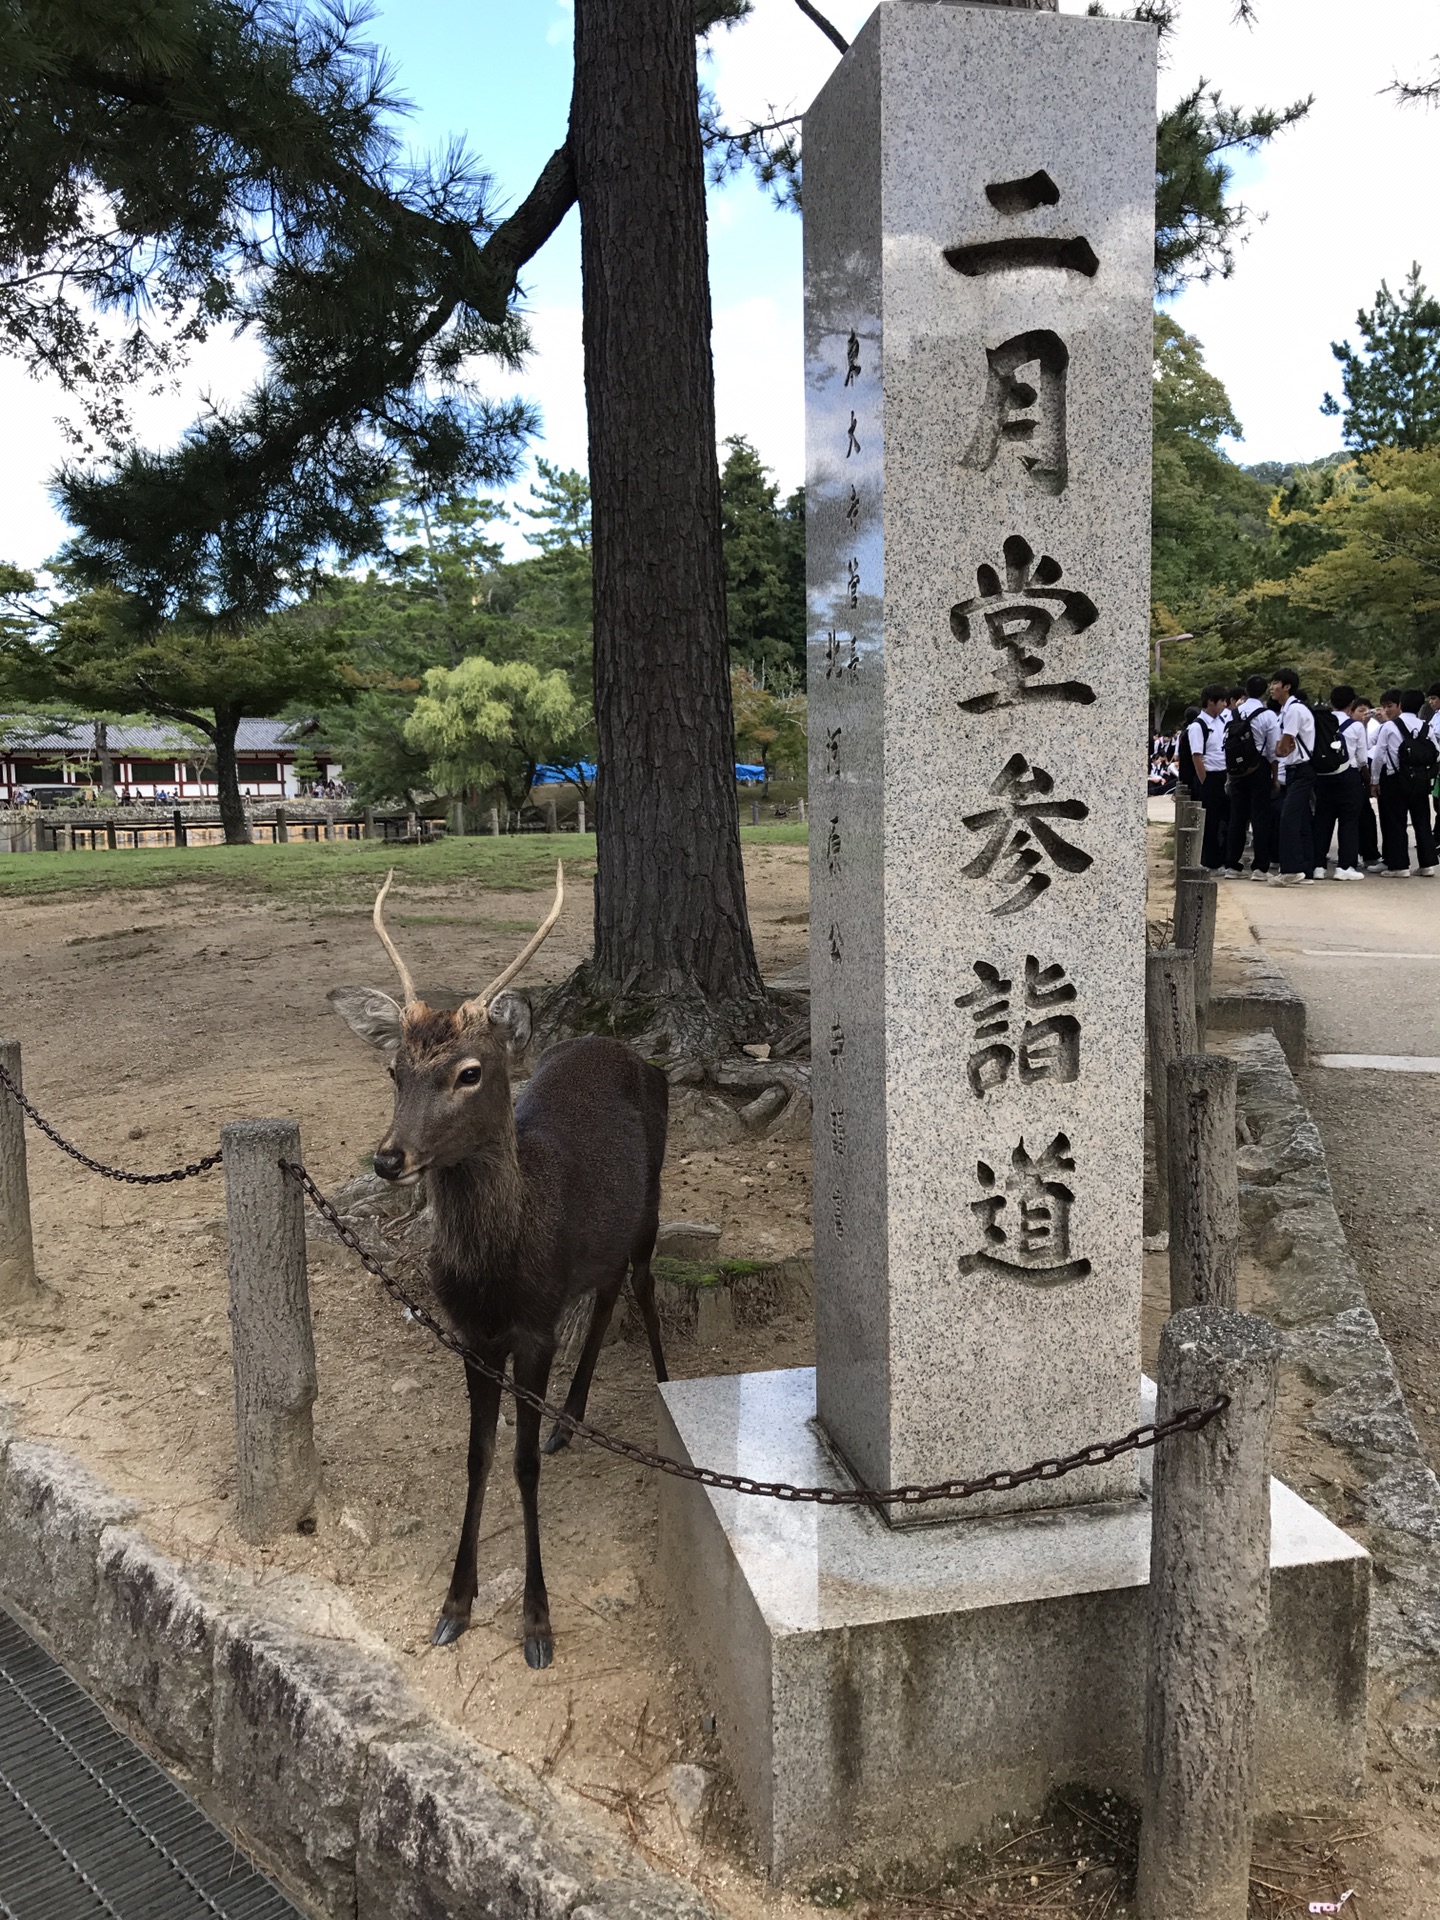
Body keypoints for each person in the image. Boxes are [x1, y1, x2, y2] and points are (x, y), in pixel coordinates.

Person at [1372, 689, 1439, 876]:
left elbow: (1379, 756)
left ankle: (1399, 865)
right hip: (1420, 779)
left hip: (1395, 778)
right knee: (1422, 820)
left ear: (1401, 705)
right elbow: (1437, 752)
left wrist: (1374, 780)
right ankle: (1427, 865)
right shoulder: (1426, 726)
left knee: (1395, 821)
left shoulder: (1390, 727)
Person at [1220, 673, 1280, 879]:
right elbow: (1273, 750)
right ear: (1264, 691)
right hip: (1259, 767)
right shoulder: (1268, 715)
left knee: (1237, 816)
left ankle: (1232, 865)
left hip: (1237, 770)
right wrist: (1274, 777)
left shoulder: (1233, 713)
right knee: (1260, 817)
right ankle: (1260, 867)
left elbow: (1225, 743)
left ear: (1245, 690)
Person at [1309, 685, 1366, 879]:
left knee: (1323, 820)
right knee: (1348, 821)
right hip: (1347, 775)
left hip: (1323, 776)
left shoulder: (1321, 722)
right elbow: (1362, 759)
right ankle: (1344, 866)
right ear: (1352, 703)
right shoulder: (1356, 726)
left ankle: (1318, 866)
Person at [1269, 667, 1317, 884]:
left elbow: (1282, 746)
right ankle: (1305, 866)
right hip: (1295, 769)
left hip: (1301, 769)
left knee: (1288, 818)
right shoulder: (1287, 710)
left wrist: (1281, 748)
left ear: (1287, 687)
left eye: (1276, 683)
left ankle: (1290, 870)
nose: (1272, 688)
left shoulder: (1294, 710)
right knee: (1302, 820)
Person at [1187, 685, 1231, 869]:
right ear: (1211, 701)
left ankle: (1224, 858)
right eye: (1222, 701)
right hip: (1209, 777)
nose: (1224, 704)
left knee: (1227, 820)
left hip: (1225, 776)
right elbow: (1197, 756)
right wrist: (1205, 781)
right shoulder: (1198, 726)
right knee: (1211, 822)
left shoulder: (1223, 722)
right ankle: (1210, 862)